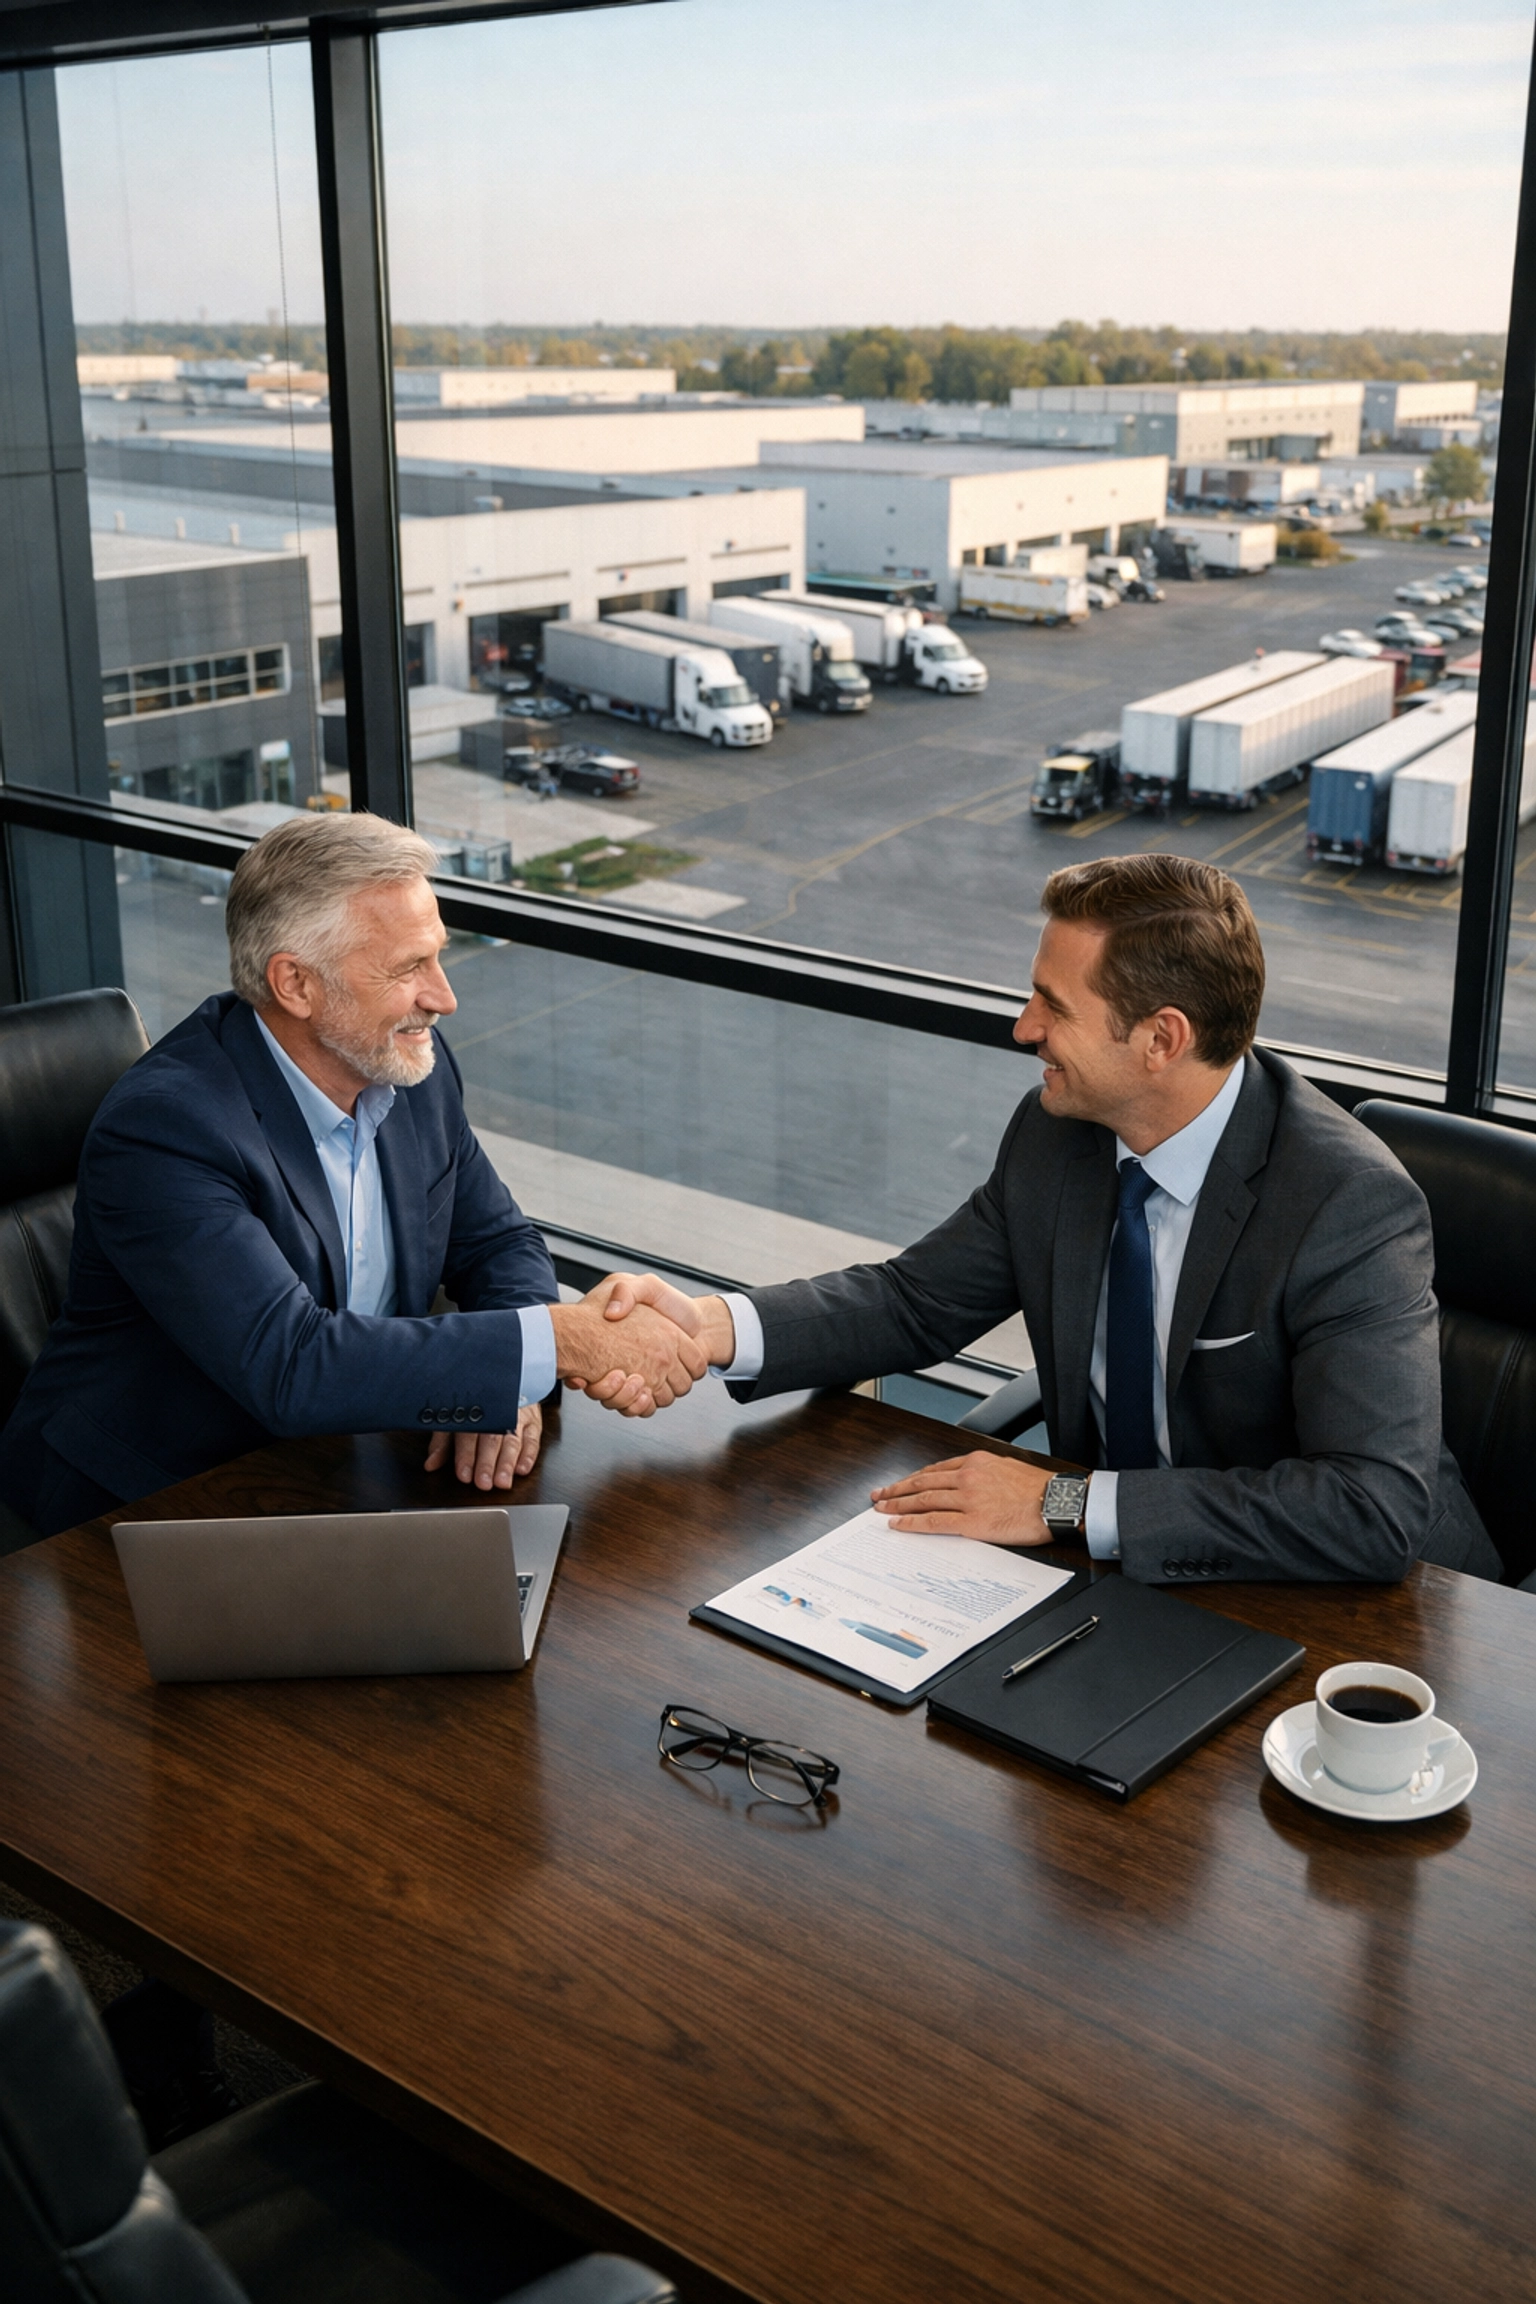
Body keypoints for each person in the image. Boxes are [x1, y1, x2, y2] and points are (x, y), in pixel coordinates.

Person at [591, 853, 1501, 1585]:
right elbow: (916, 1302)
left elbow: (1368, 1509)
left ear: (1162, 1040)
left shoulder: (1348, 1205)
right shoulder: (1058, 1134)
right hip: (1120, 1579)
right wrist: (708, 1328)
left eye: (1054, 1006)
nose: (1023, 1028)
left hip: (1357, 1616)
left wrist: (1063, 1504)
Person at [0, 812, 704, 1540]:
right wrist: (555, 1344)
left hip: (329, 1470)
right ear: (296, 983)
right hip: (133, 1512)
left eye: (438, 956)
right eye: (408, 969)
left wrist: (508, 1386)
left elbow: (498, 1243)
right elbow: (291, 1364)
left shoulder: (406, 1068)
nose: (443, 996)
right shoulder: (166, 1130)